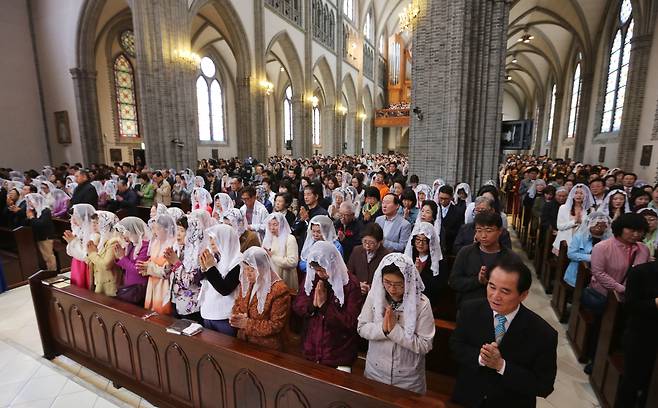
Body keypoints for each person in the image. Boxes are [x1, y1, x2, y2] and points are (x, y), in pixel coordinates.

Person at [450, 256, 558, 407]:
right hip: (469, 398)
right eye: (492, 286)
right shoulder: (470, 310)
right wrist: (482, 358)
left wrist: (501, 366)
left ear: (523, 295)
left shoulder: (543, 334)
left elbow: (543, 386)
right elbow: (456, 346)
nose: (495, 296)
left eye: (505, 291)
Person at [581, 213, 650, 374]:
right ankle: (594, 359)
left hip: (630, 300)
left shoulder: (643, 249)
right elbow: (599, 273)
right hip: (605, 296)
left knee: (621, 331)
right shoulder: (603, 247)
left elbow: (642, 273)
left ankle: (611, 364)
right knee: (600, 329)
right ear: (620, 229)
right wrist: (622, 290)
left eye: (639, 231)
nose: (636, 234)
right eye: (632, 230)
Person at [357, 253, 435, 393]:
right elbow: (362, 327)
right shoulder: (375, 295)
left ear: (409, 281)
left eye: (398, 284)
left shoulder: (422, 304)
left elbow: (425, 344)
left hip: (407, 379)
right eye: (387, 282)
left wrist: (394, 331)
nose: (392, 289)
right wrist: (383, 329)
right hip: (375, 372)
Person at [293, 241, 362, 370]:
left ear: (332, 264)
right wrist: (312, 306)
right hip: (311, 348)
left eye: (323, 270)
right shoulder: (312, 278)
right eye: (317, 270)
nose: (320, 274)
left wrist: (325, 307)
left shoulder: (350, 284)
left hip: (338, 353)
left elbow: (351, 321)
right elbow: (298, 304)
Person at [449, 212, 521, 308]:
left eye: (489, 231)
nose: (483, 235)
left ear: (500, 231)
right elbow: (454, 282)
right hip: (468, 307)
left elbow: (516, 288)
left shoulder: (511, 258)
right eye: (479, 230)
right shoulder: (465, 252)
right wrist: (477, 280)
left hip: (499, 309)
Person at [229, 246, 291, 350]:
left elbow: (276, 325)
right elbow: (238, 304)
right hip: (243, 340)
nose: (247, 274)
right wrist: (236, 316)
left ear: (263, 267)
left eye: (252, 270)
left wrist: (246, 324)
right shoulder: (248, 283)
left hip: (266, 347)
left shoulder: (279, 290)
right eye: (245, 269)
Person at [616, 258, 658, 408]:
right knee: (632, 381)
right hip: (641, 336)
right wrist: (655, 303)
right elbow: (630, 306)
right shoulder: (640, 272)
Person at [198, 224, 243, 336]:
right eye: (211, 238)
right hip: (208, 311)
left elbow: (225, 289)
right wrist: (203, 268)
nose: (211, 241)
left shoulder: (238, 261)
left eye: (215, 238)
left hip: (225, 316)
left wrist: (210, 268)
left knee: (224, 351)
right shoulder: (216, 258)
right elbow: (204, 282)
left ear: (226, 239)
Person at [140, 213, 177, 315]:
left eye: (158, 229)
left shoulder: (172, 245)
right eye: (155, 229)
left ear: (166, 229)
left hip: (164, 284)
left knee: (162, 314)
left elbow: (166, 270)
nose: (155, 232)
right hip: (152, 282)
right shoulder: (156, 243)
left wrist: (149, 267)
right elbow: (151, 260)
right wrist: (145, 265)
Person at [563, 212, 612, 287]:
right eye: (597, 225)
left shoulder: (607, 240)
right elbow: (571, 254)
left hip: (599, 275)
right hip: (578, 273)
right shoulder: (580, 237)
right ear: (590, 224)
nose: (599, 228)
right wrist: (592, 258)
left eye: (603, 226)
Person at [405, 221, 443, 308]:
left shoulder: (438, 260)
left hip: (428, 301)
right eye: (418, 239)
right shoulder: (411, 256)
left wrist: (420, 273)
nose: (420, 244)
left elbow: (438, 286)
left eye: (424, 241)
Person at [347, 223, 392, 297]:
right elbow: (349, 272)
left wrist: (370, 287)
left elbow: (387, 279)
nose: (367, 246)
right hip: (356, 292)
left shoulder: (386, 256)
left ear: (380, 242)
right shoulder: (357, 250)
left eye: (371, 243)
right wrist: (358, 285)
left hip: (376, 295)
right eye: (365, 242)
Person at [114, 217, 150, 305]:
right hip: (129, 285)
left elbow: (138, 269)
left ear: (133, 231)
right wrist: (118, 256)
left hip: (138, 288)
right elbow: (125, 266)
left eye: (125, 233)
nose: (123, 236)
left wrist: (122, 257)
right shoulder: (132, 245)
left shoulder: (145, 246)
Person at [86, 211, 121, 296]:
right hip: (100, 282)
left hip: (110, 288)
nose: (95, 225)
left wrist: (92, 254)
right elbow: (91, 261)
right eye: (94, 222)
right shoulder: (102, 240)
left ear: (108, 224)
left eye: (98, 222)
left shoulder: (114, 241)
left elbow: (106, 265)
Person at [262, 212, 299, 291]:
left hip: (286, 277)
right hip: (272, 277)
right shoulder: (270, 238)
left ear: (281, 224)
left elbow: (292, 262)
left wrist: (272, 257)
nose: (272, 228)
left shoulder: (290, 239)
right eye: (270, 224)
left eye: (275, 225)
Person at [63, 203, 96, 289]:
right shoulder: (78, 229)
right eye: (72, 218)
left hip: (86, 265)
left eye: (75, 217)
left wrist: (73, 242)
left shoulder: (93, 232)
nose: (73, 221)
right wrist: (70, 242)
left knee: (85, 288)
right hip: (76, 262)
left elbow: (86, 255)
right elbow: (70, 252)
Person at [553, 183, 593, 254]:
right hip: (564, 241)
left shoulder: (589, 210)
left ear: (586, 195)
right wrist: (574, 222)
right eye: (576, 193)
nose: (578, 195)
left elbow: (589, 229)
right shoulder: (563, 208)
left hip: (581, 242)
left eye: (581, 193)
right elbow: (559, 226)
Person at [437, 185, 465, 255]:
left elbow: (459, 231)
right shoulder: (434, 209)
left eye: (446, 199)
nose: (443, 201)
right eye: (441, 198)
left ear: (451, 197)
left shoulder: (458, 212)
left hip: (449, 248)